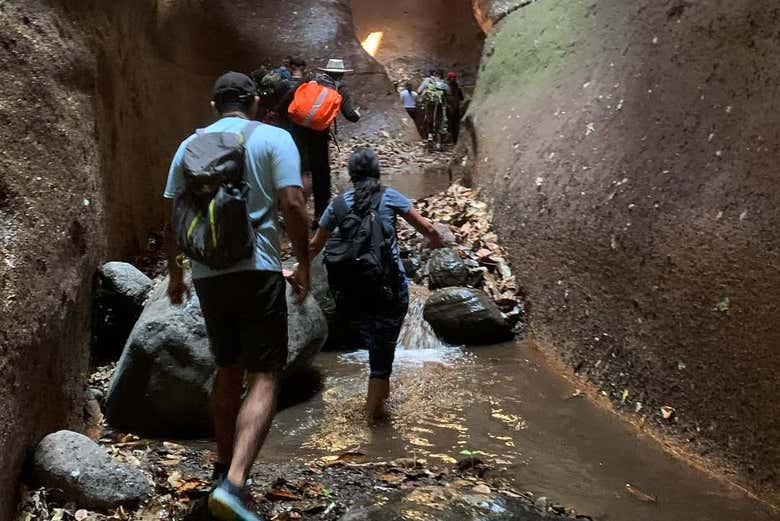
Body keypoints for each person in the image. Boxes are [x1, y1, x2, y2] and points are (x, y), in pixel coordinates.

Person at [163, 71, 310, 521]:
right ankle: (235, 485)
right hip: (259, 269)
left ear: (214, 105)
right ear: (254, 102)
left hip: (209, 273)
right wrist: (305, 262)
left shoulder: (188, 147)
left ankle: (222, 464)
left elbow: (171, 213)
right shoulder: (273, 138)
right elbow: (292, 203)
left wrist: (176, 272)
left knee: (227, 368)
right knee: (265, 374)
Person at [308, 149, 443, 419]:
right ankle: (372, 419)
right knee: (382, 356)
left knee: (377, 348)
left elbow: (314, 247)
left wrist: (297, 270)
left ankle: (381, 401)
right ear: (377, 172)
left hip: (352, 293)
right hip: (388, 290)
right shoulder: (390, 196)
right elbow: (428, 230)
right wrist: (435, 244)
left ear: (351, 174)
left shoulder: (338, 204)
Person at [292, 58, 361, 222]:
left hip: (298, 129)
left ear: (325, 71)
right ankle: (320, 215)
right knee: (320, 174)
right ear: (341, 75)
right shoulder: (339, 88)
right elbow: (351, 115)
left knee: (300, 169)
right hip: (318, 134)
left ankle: (295, 209)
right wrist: (358, 113)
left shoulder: (311, 80)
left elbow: (292, 95)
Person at [445, 71, 465, 143]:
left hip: (455, 108)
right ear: (449, 78)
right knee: (449, 124)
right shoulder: (447, 87)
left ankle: (454, 140)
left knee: (455, 125)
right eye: (452, 78)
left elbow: (461, 98)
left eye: (454, 77)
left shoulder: (456, 87)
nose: (453, 79)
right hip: (449, 108)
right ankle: (450, 140)